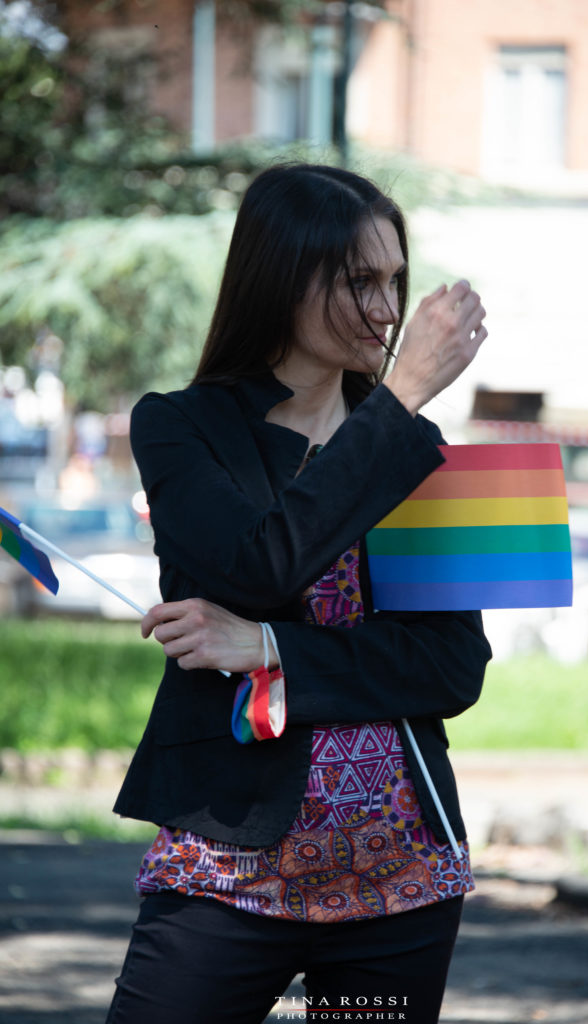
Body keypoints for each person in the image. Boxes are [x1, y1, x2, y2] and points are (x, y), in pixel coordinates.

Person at [106, 163, 491, 1024]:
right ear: (283, 278)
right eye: (360, 282)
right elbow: (257, 565)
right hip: (224, 865)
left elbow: (449, 667)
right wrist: (396, 404)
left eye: (394, 280)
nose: (387, 312)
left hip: (400, 878)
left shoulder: (409, 447)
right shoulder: (179, 426)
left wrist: (269, 647)